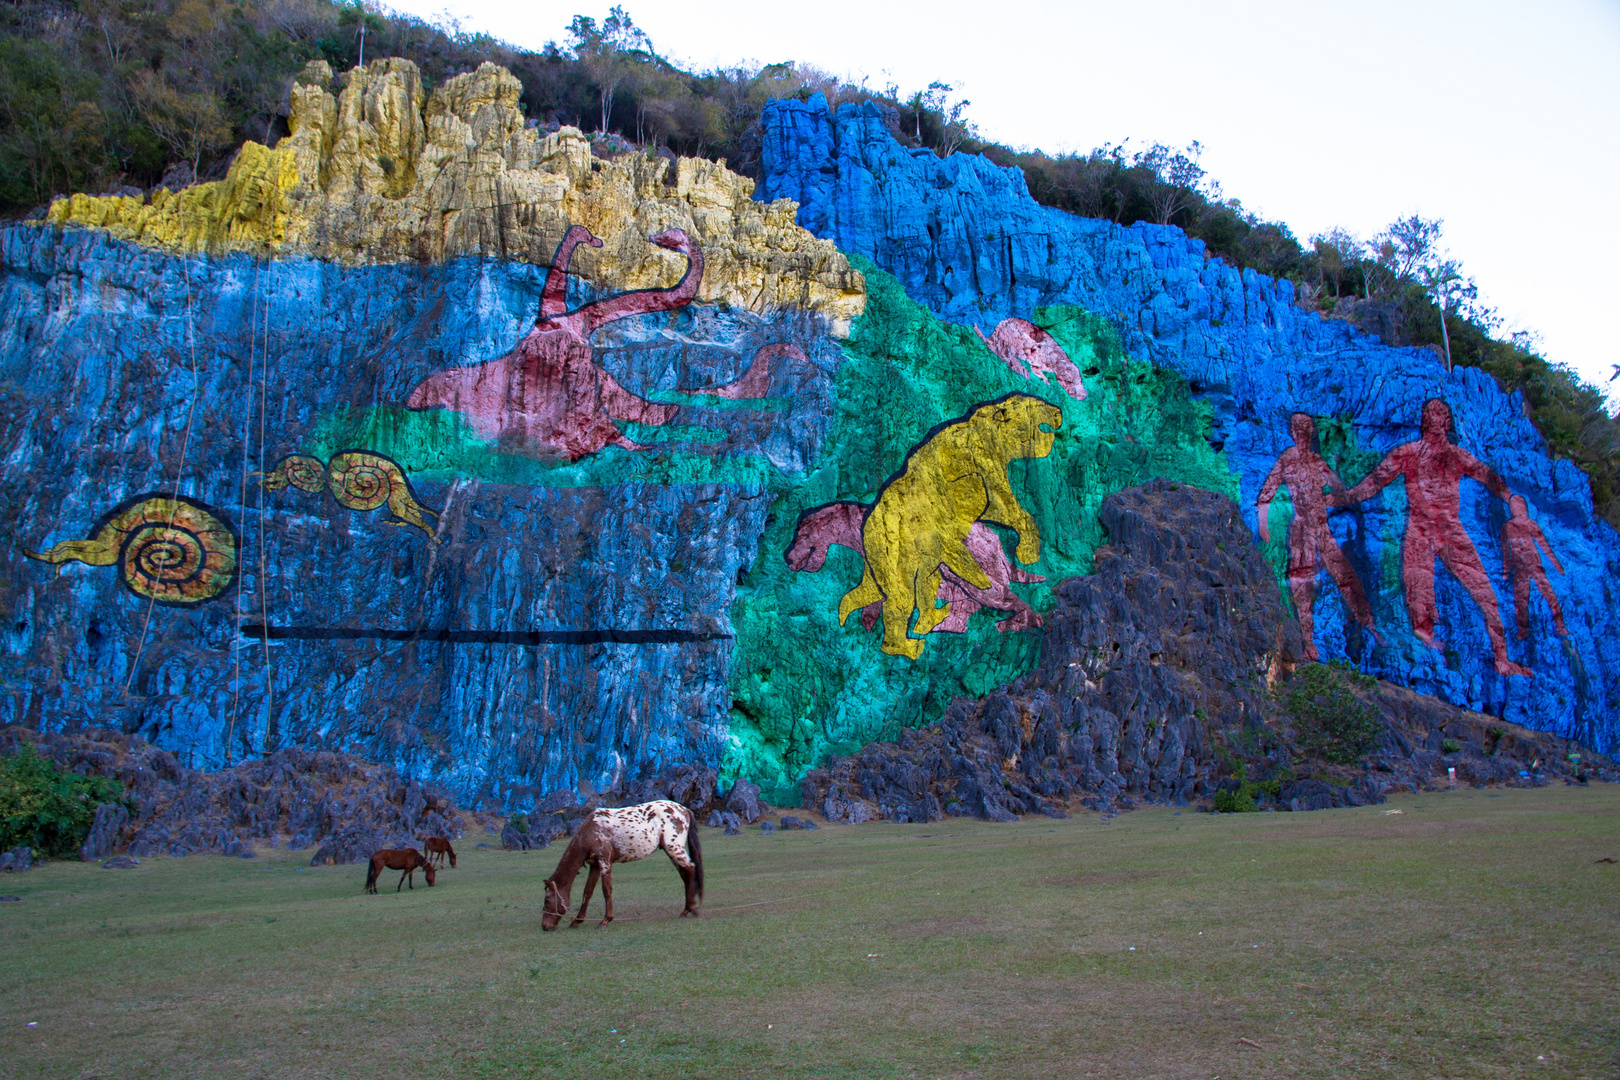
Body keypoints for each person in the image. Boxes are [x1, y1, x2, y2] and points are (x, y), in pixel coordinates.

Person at [1333, 399, 1531, 676]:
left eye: (1440, 415)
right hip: (1420, 532)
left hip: (1450, 531)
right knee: (1418, 597)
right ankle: (1425, 648)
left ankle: (1502, 658)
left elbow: (1487, 476)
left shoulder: (1456, 456)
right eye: (1429, 414)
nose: (1435, 419)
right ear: (1424, 421)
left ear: (1448, 422)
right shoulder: (1408, 453)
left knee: (1486, 595)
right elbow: (1370, 485)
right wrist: (1336, 499)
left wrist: (1508, 497)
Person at [1256, 412, 1378, 661]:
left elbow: (1339, 490)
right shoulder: (1287, 459)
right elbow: (1267, 491)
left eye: (1306, 427)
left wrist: (1332, 496)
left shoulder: (1317, 461)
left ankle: (1368, 625)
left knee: (1344, 574)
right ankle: (1308, 642)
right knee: (1302, 582)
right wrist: (1263, 524)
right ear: (1292, 431)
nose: (1302, 432)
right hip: (1302, 530)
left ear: (1311, 431)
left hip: (1322, 527)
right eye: (1298, 427)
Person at [1501, 494, 1568, 639]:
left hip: (1534, 565)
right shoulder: (1507, 527)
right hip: (1520, 569)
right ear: (1512, 509)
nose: (1518, 509)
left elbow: (1545, 546)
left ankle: (1560, 626)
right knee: (1520, 600)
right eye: (1515, 506)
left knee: (1549, 595)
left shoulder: (1530, 524)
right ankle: (1523, 631)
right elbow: (1506, 551)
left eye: (1520, 506)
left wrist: (1557, 566)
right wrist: (1506, 571)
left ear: (1524, 508)